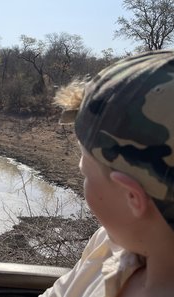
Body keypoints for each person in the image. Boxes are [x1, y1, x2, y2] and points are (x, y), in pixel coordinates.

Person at [40, 50, 174, 297]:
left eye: (85, 174)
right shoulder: (110, 243)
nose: (83, 179)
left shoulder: (118, 239)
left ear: (131, 197)